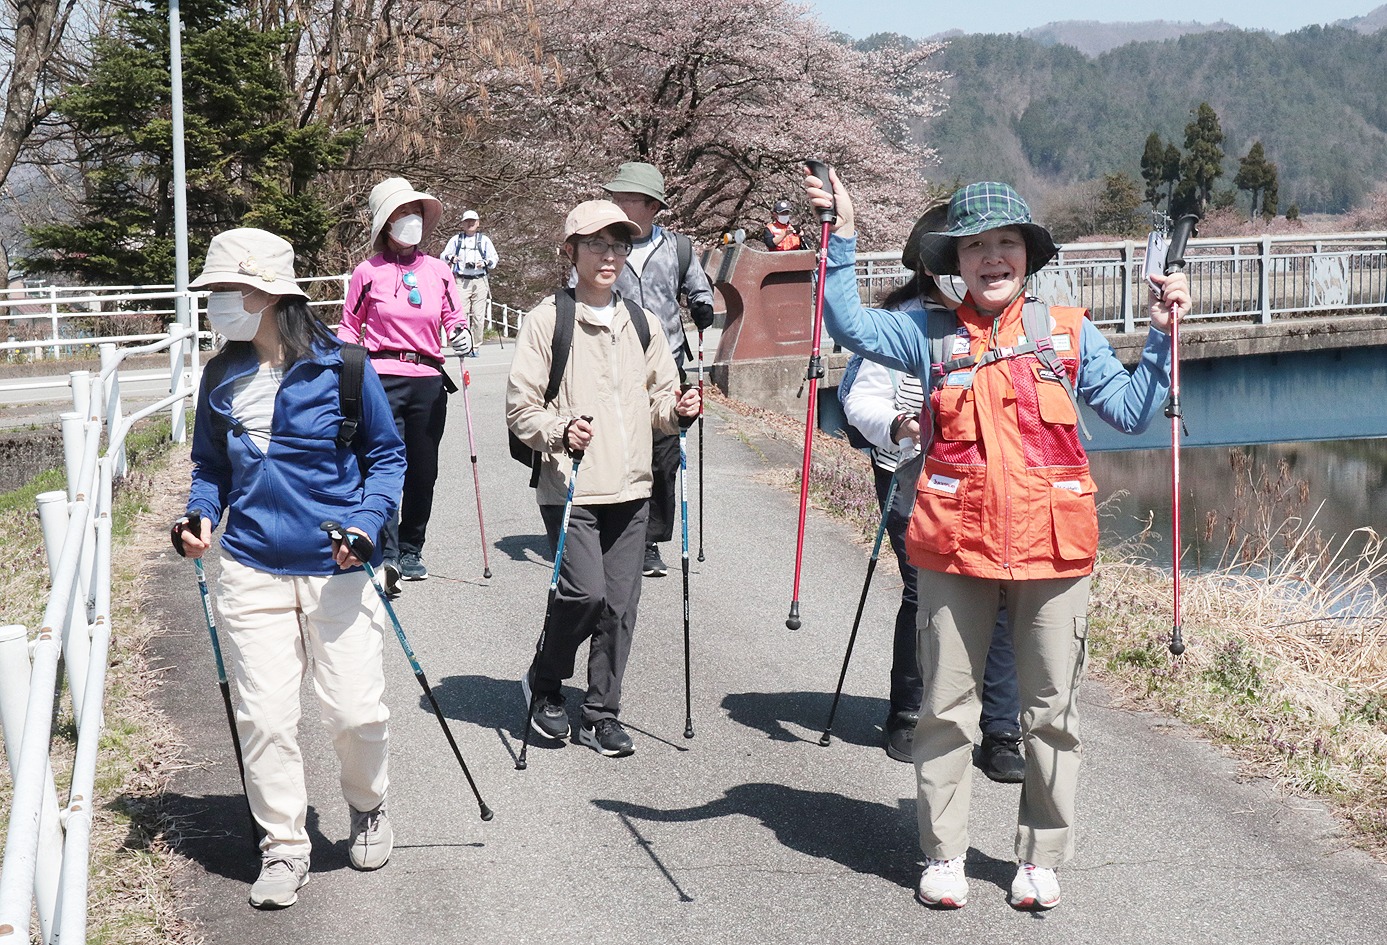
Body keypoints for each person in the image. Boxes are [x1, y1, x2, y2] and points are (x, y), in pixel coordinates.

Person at [805, 170, 1190, 912]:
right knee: (946, 709)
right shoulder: (925, 331)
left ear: (1028, 255)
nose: (991, 257)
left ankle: (1040, 857)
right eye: (974, 245)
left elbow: (1134, 412)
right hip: (953, 546)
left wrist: (1165, 337)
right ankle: (943, 853)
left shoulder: (1069, 331)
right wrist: (843, 235)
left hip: (1055, 549)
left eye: (1005, 243)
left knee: (1051, 714)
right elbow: (848, 325)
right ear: (954, 261)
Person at [173, 228, 407, 909]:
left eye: (227, 291)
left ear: (270, 294)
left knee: (355, 710)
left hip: (336, 568)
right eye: (214, 293)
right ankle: (283, 845)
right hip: (248, 566)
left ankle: (368, 807)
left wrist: (365, 527)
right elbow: (210, 469)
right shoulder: (221, 374)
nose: (217, 303)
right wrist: (198, 517)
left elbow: (387, 458)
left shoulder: (346, 368)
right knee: (266, 718)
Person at [506, 199, 701, 757]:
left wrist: (680, 409)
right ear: (571, 252)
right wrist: (560, 429)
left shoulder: (640, 322)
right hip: (572, 485)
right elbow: (521, 409)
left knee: (621, 605)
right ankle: (545, 683)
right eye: (596, 244)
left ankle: (599, 712)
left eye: (619, 245)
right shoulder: (548, 319)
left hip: (633, 486)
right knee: (584, 594)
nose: (609, 255)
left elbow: (661, 399)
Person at [841, 206, 1024, 782]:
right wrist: (899, 426)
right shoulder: (903, 322)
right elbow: (858, 398)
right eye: (958, 252)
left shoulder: (1000, 320)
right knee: (923, 594)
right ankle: (908, 711)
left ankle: (1000, 729)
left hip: (990, 482)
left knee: (997, 597)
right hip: (913, 474)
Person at [338, 177, 471, 592]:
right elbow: (349, 327)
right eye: (399, 214)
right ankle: (390, 553)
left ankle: (413, 547)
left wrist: (462, 332)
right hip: (380, 378)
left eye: (413, 212)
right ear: (385, 226)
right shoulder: (367, 273)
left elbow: (452, 316)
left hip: (429, 379)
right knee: (384, 466)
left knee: (423, 470)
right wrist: (342, 370)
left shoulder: (439, 271)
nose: (409, 220)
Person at [599, 161, 715, 578]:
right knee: (624, 449)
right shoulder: (604, 246)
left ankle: (650, 537)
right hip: (616, 361)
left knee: (665, 456)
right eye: (616, 198)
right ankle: (620, 529)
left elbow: (699, 286)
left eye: (627, 199)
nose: (618, 205)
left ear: (651, 206)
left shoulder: (678, 248)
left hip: (669, 363)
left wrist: (702, 305)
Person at [442, 209, 499, 354]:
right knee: (462, 315)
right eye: (467, 221)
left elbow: (494, 259)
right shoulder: (456, 240)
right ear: (462, 223)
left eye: (473, 222)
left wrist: (485, 263)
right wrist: (451, 258)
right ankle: (464, 345)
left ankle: (475, 346)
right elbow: (443, 255)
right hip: (461, 280)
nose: (470, 224)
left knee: (479, 316)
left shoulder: (484, 240)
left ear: (478, 223)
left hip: (480, 280)